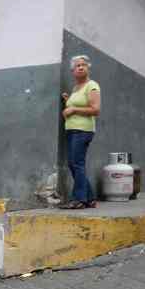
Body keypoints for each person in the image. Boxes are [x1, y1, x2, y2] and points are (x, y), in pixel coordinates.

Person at [60, 55, 101, 210]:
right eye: (78, 65)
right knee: (74, 164)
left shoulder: (92, 85)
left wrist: (73, 109)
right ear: (73, 70)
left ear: (88, 68)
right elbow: (76, 104)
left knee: (77, 164)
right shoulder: (76, 88)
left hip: (83, 130)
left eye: (84, 65)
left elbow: (95, 110)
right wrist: (67, 100)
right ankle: (89, 198)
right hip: (72, 130)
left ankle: (79, 199)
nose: (81, 67)